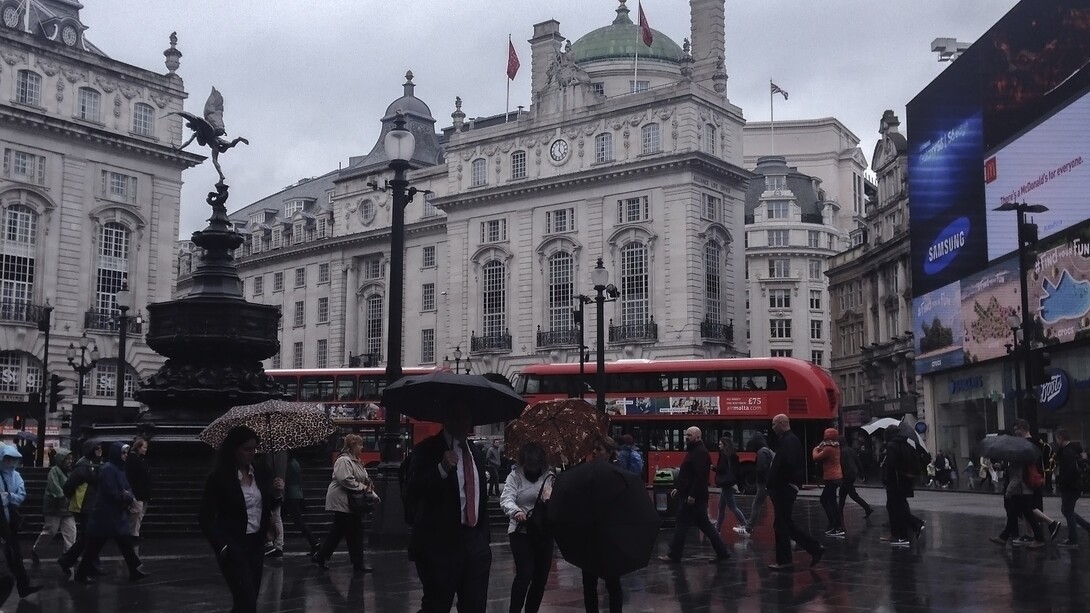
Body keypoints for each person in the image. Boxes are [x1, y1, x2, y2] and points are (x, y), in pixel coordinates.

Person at [405, 402, 491, 613]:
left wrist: (483, 539)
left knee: (474, 606)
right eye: (458, 416)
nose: (463, 422)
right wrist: (441, 469)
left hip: (474, 544)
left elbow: (481, 498)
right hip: (439, 545)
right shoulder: (427, 450)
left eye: (467, 416)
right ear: (447, 419)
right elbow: (411, 489)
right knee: (437, 605)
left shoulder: (476, 454)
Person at [199, 426, 281, 613]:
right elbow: (205, 517)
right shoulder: (219, 478)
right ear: (234, 449)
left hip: (256, 544)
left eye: (254, 448)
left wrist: (276, 494)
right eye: (247, 449)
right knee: (247, 599)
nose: (252, 453)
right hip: (233, 545)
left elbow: (266, 506)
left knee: (246, 600)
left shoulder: (260, 473)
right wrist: (222, 546)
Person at [72, 442, 147, 583]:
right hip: (106, 514)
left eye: (126, 453)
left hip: (113, 514)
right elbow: (112, 490)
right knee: (96, 546)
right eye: (123, 453)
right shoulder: (109, 469)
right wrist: (125, 496)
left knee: (122, 543)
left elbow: (126, 488)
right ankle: (81, 573)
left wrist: (127, 495)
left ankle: (133, 570)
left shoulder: (119, 469)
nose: (125, 456)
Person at [659, 427, 731, 564]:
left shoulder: (700, 453)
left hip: (693, 497)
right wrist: (679, 489)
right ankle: (723, 552)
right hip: (692, 495)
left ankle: (674, 554)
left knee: (682, 524)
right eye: (686, 434)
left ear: (698, 437)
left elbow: (700, 477)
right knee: (704, 525)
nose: (686, 437)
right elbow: (688, 474)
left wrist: (692, 495)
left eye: (689, 435)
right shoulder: (695, 451)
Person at [499, 441, 554, 613]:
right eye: (528, 465)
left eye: (535, 465)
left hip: (543, 532)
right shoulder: (515, 476)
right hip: (521, 531)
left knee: (540, 579)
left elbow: (556, 500)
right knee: (525, 574)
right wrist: (516, 511)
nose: (531, 469)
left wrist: (550, 500)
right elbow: (506, 498)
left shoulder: (549, 476)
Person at [766, 414, 824, 570]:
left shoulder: (789, 441)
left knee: (781, 524)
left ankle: (785, 560)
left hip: (784, 488)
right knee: (785, 524)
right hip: (783, 487)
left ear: (782, 423)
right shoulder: (788, 440)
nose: (773, 428)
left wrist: (779, 480)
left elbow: (788, 464)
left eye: (774, 425)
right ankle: (814, 548)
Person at [312, 433, 377, 572]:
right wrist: (363, 487)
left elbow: (364, 480)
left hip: (351, 502)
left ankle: (321, 556)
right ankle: (357, 563)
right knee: (354, 532)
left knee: (340, 532)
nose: (362, 447)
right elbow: (345, 479)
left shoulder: (356, 461)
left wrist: (371, 492)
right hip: (343, 501)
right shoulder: (344, 460)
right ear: (352, 446)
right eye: (360, 444)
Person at [583, 434, 624, 613]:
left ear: (609, 452)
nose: (595, 452)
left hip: (610, 535)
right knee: (589, 582)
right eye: (594, 449)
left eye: (599, 449)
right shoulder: (587, 471)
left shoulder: (617, 473)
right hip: (590, 534)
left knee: (613, 582)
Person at [0, 445, 42, 597]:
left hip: (10, 522)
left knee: (15, 555)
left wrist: (8, 497)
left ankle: (23, 586)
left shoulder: (16, 476)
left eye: (12, 459)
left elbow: (20, 496)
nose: (10, 462)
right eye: (7, 458)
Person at [57, 440, 103, 578]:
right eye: (97, 449)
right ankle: (82, 564)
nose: (100, 451)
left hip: (93, 506)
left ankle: (68, 560)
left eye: (100, 448)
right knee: (90, 537)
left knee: (89, 537)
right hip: (83, 506)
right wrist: (73, 497)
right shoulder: (82, 467)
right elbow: (68, 487)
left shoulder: (96, 465)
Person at [32, 446, 77, 564]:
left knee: (71, 532)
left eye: (71, 459)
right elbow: (55, 487)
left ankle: (67, 557)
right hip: (54, 506)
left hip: (67, 507)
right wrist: (64, 497)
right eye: (67, 459)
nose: (69, 461)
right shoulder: (54, 471)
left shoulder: (71, 472)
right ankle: (36, 550)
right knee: (50, 530)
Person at [881, 426, 925, 547]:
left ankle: (905, 534)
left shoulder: (892, 445)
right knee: (898, 506)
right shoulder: (905, 444)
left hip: (895, 482)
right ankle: (902, 532)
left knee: (895, 508)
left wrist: (886, 479)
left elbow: (891, 465)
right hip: (905, 481)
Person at [1054, 429, 1090, 547]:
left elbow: (1069, 471)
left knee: (1067, 511)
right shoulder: (1073, 449)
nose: (1056, 441)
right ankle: (1087, 527)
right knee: (1067, 510)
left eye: (1057, 438)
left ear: (1061, 438)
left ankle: (1073, 539)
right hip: (1076, 485)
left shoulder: (1067, 452)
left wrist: (1061, 481)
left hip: (1070, 486)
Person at [281, 453, 319, 556]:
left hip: (291, 495)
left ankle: (314, 543)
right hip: (296, 493)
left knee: (298, 521)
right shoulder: (295, 463)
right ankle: (314, 543)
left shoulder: (289, 464)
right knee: (282, 519)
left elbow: (287, 480)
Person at [812, 428, 844, 536]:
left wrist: (815, 448)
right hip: (836, 477)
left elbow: (816, 457)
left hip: (831, 478)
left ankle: (837, 526)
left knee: (829, 501)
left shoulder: (828, 449)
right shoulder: (836, 446)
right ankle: (833, 524)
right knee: (828, 501)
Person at [712, 437, 747, 535]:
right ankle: (717, 527)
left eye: (720, 444)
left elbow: (722, 469)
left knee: (732, 507)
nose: (719, 446)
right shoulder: (733, 455)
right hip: (729, 482)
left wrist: (714, 468)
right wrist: (739, 485)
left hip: (726, 483)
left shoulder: (723, 454)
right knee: (721, 506)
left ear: (725, 445)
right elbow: (737, 471)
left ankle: (745, 524)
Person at [742, 433, 773, 535]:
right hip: (769, 482)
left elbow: (760, 468)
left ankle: (748, 528)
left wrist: (759, 479)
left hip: (763, 483)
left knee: (756, 505)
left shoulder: (761, 452)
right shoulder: (768, 450)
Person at [838, 436, 873, 522]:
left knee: (848, 495)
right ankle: (840, 512)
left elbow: (842, 465)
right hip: (853, 474)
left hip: (847, 475)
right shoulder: (851, 450)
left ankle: (867, 508)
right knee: (846, 494)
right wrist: (861, 474)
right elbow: (858, 462)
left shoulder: (842, 452)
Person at [125, 437, 153, 545]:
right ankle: (133, 534)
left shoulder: (139, 459)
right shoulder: (133, 460)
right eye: (144, 447)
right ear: (138, 447)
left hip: (142, 491)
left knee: (139, 513)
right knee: (136, 513)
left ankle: (135, 533)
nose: (145, 449)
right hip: (138, 491)